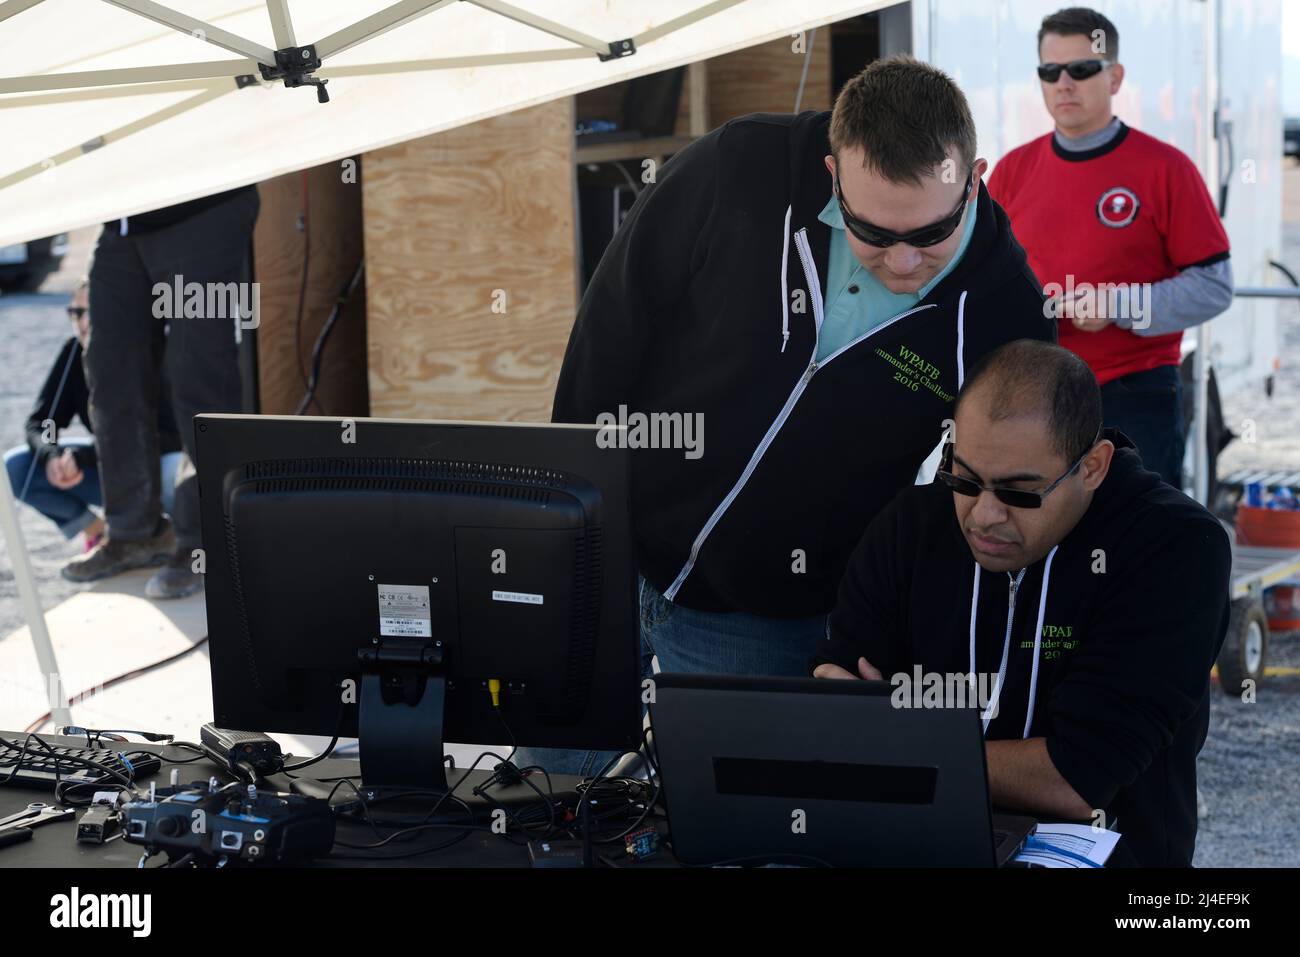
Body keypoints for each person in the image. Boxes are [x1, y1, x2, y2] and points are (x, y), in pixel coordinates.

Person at [534, 56, 1054, 774]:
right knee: (539, 801)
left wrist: (880, 631)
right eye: (873, 232)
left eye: (930, 235)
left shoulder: (1004, 311)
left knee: (730, 835)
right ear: (832, 174)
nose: (903, 264)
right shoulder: (738, 169)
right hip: (614, 563)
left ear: (976, 178)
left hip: (769, 623)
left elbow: (971, 501)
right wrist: (574, 519)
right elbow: (611, 330)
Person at [813, 340, 1230, 867]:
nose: (983, 515)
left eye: (1020, 492)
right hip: (916, 848)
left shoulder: (1177, 548)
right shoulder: (911, 524)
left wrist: (898, 744)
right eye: (964, 477)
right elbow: (836, 688)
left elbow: (1076, 779)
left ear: (1093, 467)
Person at [987, 7, 1232, 488]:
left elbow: (1214, 287)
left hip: (1134, 392)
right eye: (1049, 71)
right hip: (1034, 392)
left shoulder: (1165, 168)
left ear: (1115, 77)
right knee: (1039, 540)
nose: (1064, 83)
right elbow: (982, 277)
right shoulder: (1012, 170)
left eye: (1081, 69)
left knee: (1137, 544)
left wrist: (1119, 304)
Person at [61, 186, 259, 599]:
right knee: (111, 374)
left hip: (204, 207)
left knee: (198, 377)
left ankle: (207, 542)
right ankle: (135, 533)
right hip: (123, 218)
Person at [4, 281, 182, 555]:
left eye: (93, 311)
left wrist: (83, 457)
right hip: (108, 470)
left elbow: (170, 438)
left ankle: (181, 544)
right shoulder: (74, 352)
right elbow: (43, 422)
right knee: (15, 467)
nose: (83, 321)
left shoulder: (149, 352)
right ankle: (101, 534)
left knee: (175, 469)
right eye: (76, 312)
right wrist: (51, 455)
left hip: (152, 471)